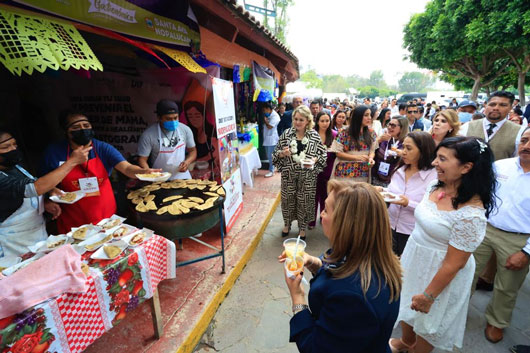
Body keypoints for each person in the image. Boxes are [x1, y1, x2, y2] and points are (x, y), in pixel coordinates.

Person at [390, 136, 496, 353]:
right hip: (416, 258)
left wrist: (429, 295)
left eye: (442, 159)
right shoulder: (435, 184)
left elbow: (453, 264)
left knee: (430, 321)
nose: (435, 163)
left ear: (466, 167)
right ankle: (406, 343)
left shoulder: (471, 214)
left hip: (442, 273)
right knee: (406, 307)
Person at [282, 180, 402, 352]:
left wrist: (298, 297)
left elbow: (316, 348)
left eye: (325, 210)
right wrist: (315, 263)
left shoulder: (353, 297)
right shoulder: (370, 255)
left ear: (345, 224)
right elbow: (339, 268)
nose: (321, 215)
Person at [40, 111, 159, 234]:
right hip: (73, 219)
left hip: (105, 217)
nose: (82, 130)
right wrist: (48, 197)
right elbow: (41, 183)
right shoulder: (53, 153)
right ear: (66, 131)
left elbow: (127, 168)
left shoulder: (102, 148)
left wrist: (143, 171)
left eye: (86, 126)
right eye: (76, 127)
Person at [471, 127, 530, 344]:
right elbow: (482, 193)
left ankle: (497, 321)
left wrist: (526, 252)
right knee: (466, 273)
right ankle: (455, 308)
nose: (527, 146)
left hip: (518, 239)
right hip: (484, 228)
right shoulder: (500, 166)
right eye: (524, 140)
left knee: (507, 286)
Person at [0, 130, 91, 257]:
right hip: (12, 244)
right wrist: (72, 162)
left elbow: (30, 186)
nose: (13, 149)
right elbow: (34, 187)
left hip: (36, 235)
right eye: (5, 147)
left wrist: (45, 198)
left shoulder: (15, 167)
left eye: (14, 144)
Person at [272, 105, 327, 240]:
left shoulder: (314, 136)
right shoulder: (286, 134)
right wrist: (282, 153)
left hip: (308, 176)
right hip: (289, 175)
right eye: (295, 119)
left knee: (304, 201)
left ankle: (302, 228)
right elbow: (275, 154)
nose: (297, 122)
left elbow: (323, 155)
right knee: (288, 200)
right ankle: (287, 224)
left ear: (308, 121)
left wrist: (315, 159)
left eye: (301, 120)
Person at [384, 131, 437, 255]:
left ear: (423, 150)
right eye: (403, 147)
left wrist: (408, 203)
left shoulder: (433, 176)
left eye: (409, 148)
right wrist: (383, 191)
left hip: (413, 231)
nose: (403, 152)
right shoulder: (400, 170)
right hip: (390, 226)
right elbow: (394, 193)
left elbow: (433, 209)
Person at [137, 99, 197, 180]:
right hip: (159, 178)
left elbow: (193, 151)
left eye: (175, 118)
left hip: (182, 176)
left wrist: (187, 162)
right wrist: (148, 171)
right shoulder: (148, 135)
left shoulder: (185, 130)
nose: (173, 121)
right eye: (168, 119)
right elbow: (142, 159)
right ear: (159, 118)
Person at [462, 91, 524, 160]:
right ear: (485, 105)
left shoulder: (520, 132)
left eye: (502, 105)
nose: (496, 108)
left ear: (510, 108)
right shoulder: (467, 127)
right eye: (492, 104)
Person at [330, 105, 377, 182]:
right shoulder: (344, 132)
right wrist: (357, 157)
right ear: (358, 117)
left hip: (363, 173)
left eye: (370, 115)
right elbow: (338, 153)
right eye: (366, 115)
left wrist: (371, 158)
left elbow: (372, 151)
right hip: (344, 172)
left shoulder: (372, 133)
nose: (369, 117)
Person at [308, 111, 337, 229]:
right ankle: (311, 221)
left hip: (328, 169)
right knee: (313, 195)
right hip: (313, 169)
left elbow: (338, 153)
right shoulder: (312, 134)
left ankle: (323, 216)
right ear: (317, 122)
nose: (325, 123)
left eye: (327, 121)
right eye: (322, 121)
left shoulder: (335, 134)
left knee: (326, 196)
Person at [371, 117, 409, 187]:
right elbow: (371, 151)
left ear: (402, 128)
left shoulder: (406, 143)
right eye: (389, 124)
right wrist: (378, 140)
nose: (389, 127)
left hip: (394, 182)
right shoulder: (384, 138)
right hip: (376, 178)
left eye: (393, 125)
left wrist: (402, 154)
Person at [262, 102, 280, 177]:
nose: (264, 112)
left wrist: (265, 121)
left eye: (264, 110)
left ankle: (271, 171)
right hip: (268, 138)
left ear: (268, 109)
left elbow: (270, 127)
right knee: (269, 155)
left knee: (270, 156)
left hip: (272, 139)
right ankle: (272, 168)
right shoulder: (270, 115)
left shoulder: (275, 116)